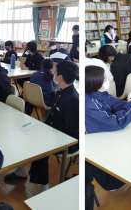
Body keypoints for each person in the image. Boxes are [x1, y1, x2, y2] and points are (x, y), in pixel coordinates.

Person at [85, 65, 131, 201]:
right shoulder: (87, 104)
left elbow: (115, 103)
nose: (108, 81)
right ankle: (116, 180)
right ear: (95, 82)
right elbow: (116, 122)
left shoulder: (97, 93)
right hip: (96, 144)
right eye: (104, 79)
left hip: (105, 135)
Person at [27, 61, 79, 195]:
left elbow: (71, 131)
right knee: (29, 134)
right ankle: (22, 172)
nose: (52, 74)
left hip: (68, 140)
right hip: (55, 130)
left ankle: (44, 185)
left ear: (60, 77)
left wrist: (48, 133)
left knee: (40, 144)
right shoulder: (61, 91)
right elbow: (52, 114)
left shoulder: (72, 99)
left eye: (55, 72)